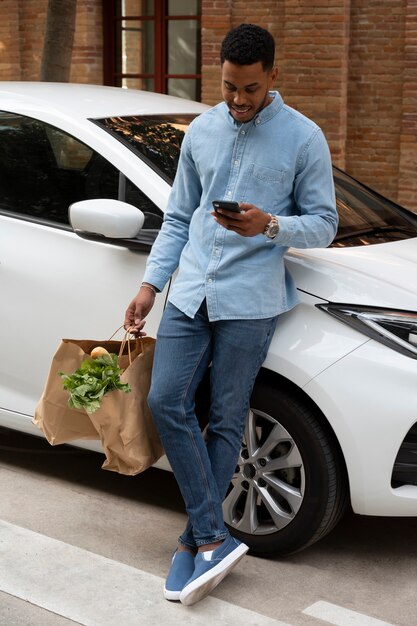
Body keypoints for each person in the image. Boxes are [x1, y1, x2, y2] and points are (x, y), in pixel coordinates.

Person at [124, 23, 338, 606]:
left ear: (272, 75)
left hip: (250, 298)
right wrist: (150, 285)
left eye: (248, 88)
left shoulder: (304, 137)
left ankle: (195, 543)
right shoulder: (203, 130)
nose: (238, 101)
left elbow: (323, 223)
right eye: (227, 87)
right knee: (165, 400)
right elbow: (176, 217)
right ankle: (215, 534)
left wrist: (268, 225)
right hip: (191, 289)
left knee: (226, 419)